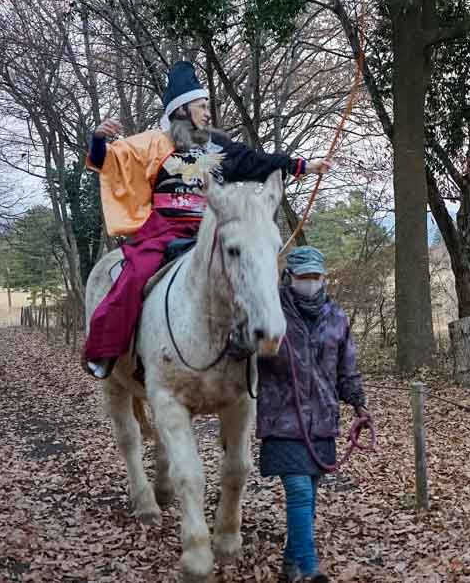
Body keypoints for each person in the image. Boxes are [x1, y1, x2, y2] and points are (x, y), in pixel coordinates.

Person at [83, 61, 331, 379]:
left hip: (210, 229)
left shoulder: (219, 146)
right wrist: (98, 140)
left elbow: (255, 161)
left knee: (246, 271)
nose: (207, 112)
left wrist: (303, 166)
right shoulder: (151, 144)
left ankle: (248, 347)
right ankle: (110, 350)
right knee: (134, 276)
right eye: (201, 106)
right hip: (164, 231)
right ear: (183, 108)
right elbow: (109, 161)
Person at [256, 246, 369, 583]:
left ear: (324, 278)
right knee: (300, 493)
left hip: (322, 422)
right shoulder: (268, 311)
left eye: (315, 276)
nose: (309, 282)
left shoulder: (336, 316)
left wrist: (359, 404)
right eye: (303, 276)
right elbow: (239, 351)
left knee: (308, 498)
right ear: (288, 277)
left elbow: (346, 370)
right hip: (282, 421)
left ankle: (290, 567)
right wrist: (255, 341)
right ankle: (309, 570)